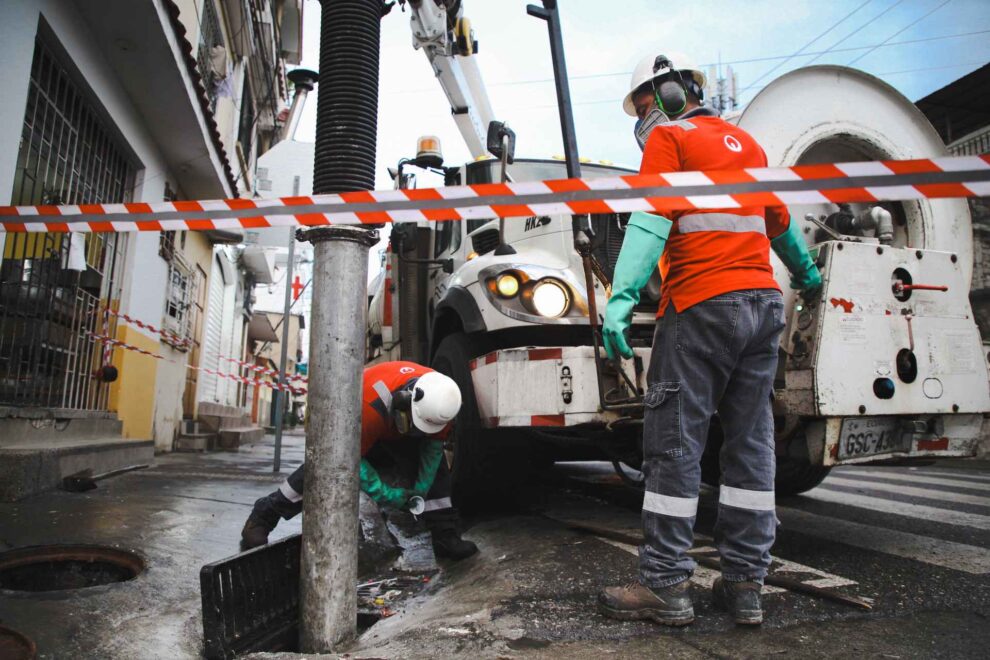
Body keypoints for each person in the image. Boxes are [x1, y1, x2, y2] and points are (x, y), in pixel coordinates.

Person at [597, 52, 821, 626]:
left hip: (700, 304)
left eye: (644, 106)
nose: (642, 121)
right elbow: (779, 223)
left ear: (671, 92)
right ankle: (745, 585)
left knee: (674, 443)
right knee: (750, 445)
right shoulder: (747, 147)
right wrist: (808, 274)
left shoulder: (669, 142)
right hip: (761, 305)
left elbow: (651, 219)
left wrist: (620, 302)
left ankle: (666, 585)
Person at [241, 361, 479, 561]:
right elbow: (352, 462)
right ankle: (264, 515)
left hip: (397, 423)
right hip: (361, 427)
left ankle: (445, 535)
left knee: (437, 470)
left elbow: (432, 451)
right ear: (404, 402)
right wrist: (387, 494)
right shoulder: (368, 406)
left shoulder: (441, 402)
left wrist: (421, 489)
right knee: (325, 465)